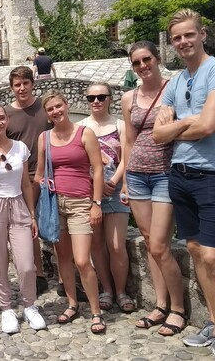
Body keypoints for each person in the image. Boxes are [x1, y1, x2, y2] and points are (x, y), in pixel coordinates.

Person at [153, 9, 215, 360]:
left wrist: (178, 124)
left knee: (212, 255)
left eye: (189, 34)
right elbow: (158, 135)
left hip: (212, 175)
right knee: (193, 249)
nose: (183, 42)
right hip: (180, 175)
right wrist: (189, 122)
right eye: (177, 38)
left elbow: (209, 126)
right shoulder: (175, 82)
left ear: (202, 35)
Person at [121, 41, 186, 336]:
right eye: (136, 62)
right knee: (149, 241)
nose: (142, 66)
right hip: (137, 174)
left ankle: (178, 309)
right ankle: (160, 305)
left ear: (157, 58)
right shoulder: (129, 98)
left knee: (160, 244)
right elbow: (129, 141)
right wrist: (124, 178)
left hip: (164, 173)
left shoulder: (174, 89)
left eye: (146, 59)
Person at [34, 91, 106, 334]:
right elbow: (39, 174)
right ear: (47, 114)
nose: (56, 111)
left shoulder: (85, 133)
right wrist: (36, 199)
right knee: (62, 258)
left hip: (80, 203)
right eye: (50, 109)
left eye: (58, 106)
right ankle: (72, 303)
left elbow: (97, 169)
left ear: (66, 105)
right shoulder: (44, 138)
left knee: (82, 260)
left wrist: (96, 203)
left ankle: (96, 311)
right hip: (55, 204)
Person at [0, 105, 46, 334]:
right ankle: (6, 308)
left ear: (7, 120)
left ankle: (30, 305)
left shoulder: (20, 148)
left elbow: (26, 185)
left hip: (18, 206)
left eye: (1, 118)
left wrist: (32, 215)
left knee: (26, 264)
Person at [78, 83, 135, 314]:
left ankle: (121, 291)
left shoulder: (120, 125)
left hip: (116, 188)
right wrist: (97, 184)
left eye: (101, 97)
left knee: (116, 245)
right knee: (97, 243)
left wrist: (114, 181)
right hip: (91, 190)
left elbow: (127, 155)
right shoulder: (81, 127)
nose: (96, 101)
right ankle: (107, 290)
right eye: (91, 98)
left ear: (110, 99)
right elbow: (79, 161)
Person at [5, 66, 50, 295]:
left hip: (49, 175)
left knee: (55, 224)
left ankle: (67, 276)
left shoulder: (45, 107)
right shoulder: (6, 114)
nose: (22, 88)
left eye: (25, 83)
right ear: (11, 88)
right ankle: (37, 273)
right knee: (28, 227)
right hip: (21, 179)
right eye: (17, 85)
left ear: (33, 84)